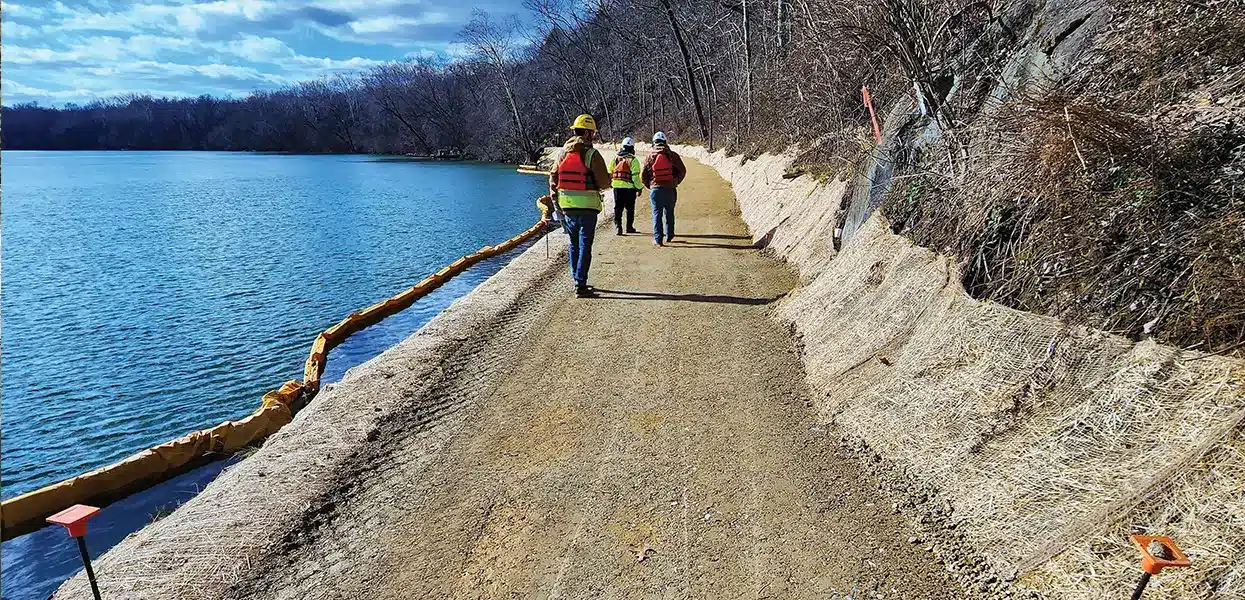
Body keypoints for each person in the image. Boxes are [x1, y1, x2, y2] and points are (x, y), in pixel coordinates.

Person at [549, 114, 611, 298]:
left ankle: (577, 279)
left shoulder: (562, 154)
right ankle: (581, 284)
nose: (594, 136)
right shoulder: (591, 154)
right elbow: (603, 183)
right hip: (588, 209)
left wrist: (556, 206)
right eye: (592, 133)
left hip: (567, 207)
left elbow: (553, 179)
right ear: (588, 133)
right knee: (585, 246)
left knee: (573, 245)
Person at [641, 131, 687, 246]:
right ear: (665, 142)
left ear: (654, 142)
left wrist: (650, 186)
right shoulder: (673, 155)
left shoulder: (649, 156)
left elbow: (643, 175)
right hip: (670, 189)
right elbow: (682, 171)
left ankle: (658, 240)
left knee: (657, 214)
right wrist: (675, 182)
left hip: (655, 190)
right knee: (669, 212)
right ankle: (669, 236)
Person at [607, 137, 643, 235]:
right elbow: (635, 177)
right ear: (632, 148)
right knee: (630, 208)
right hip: (629, 189)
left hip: (617, 188)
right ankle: (629, 227)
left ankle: (618, 227)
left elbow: (610, 173)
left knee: (618, 208)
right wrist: (639, 188)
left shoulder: (615, 159)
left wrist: (610, 184)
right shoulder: (634, 160)